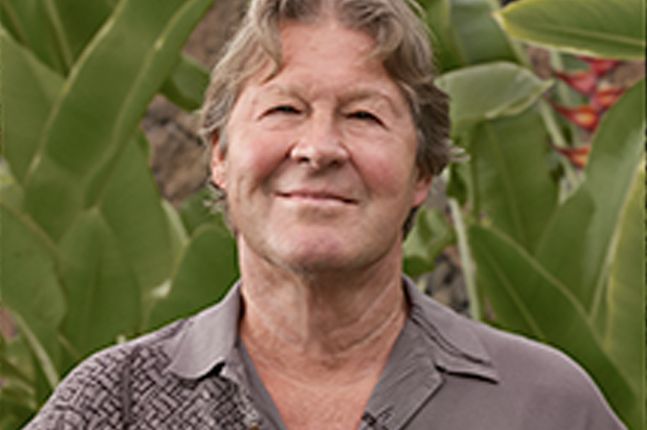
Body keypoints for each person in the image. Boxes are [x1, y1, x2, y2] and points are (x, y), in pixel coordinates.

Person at [24, 0, 626, 429]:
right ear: (220, 156)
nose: (318, 148)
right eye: (284, 109)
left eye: (363, 115)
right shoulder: (114, 405)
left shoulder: (545, 407)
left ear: (423, 171)